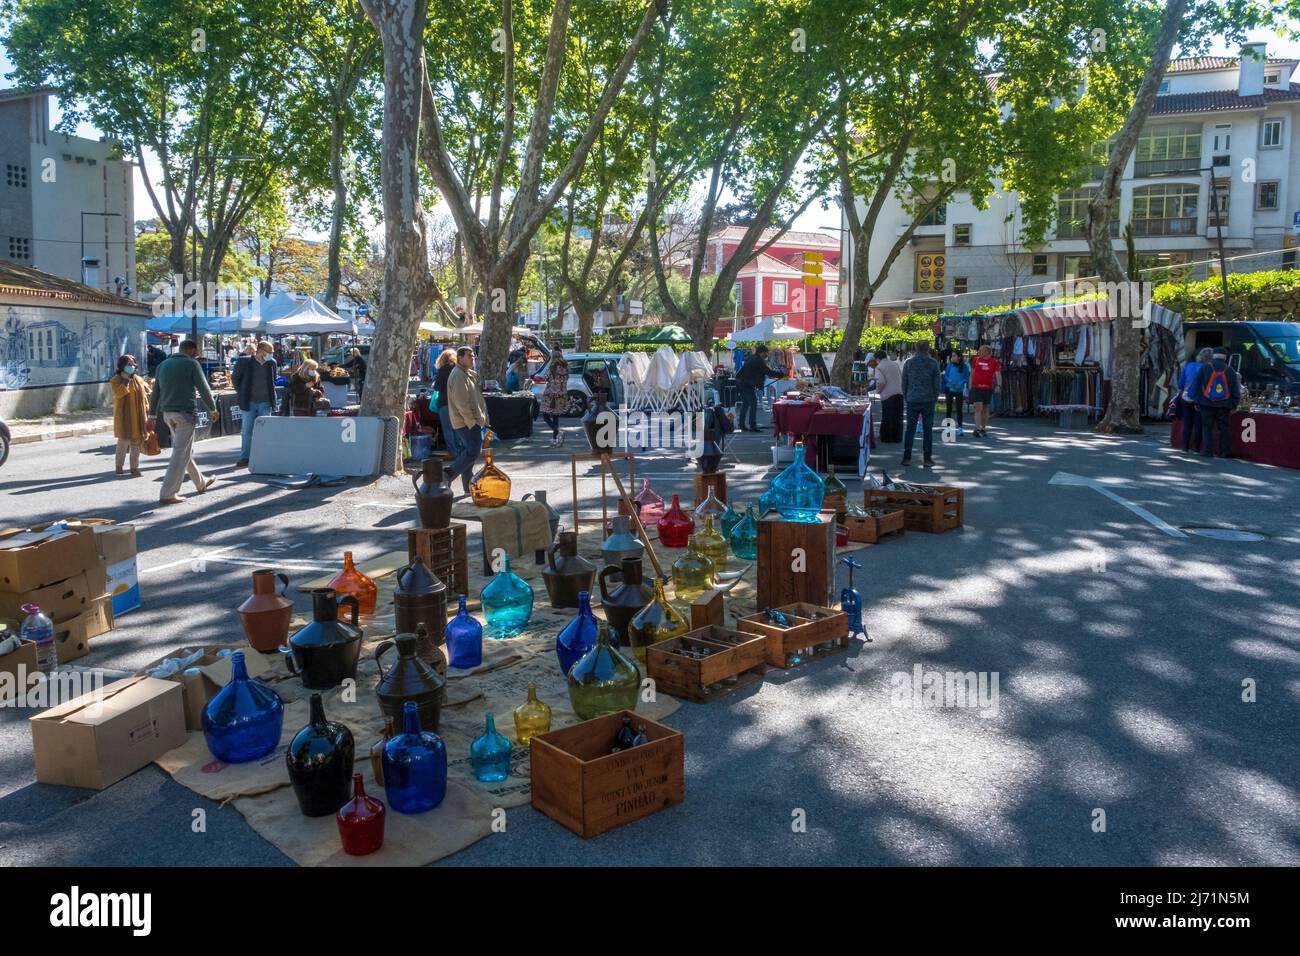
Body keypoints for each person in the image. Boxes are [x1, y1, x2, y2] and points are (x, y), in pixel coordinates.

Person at [149, 340, 217, 505]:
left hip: (167, 414)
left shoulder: (162, 365)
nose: (197, 354)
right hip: (185, 413)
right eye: (196, 351)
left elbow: (155, 392)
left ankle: (201, 482)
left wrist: (151, 415)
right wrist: (212, 408)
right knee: (180, 453)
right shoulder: (191, 364)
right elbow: (203, 387)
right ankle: (167, 493)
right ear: (190, 350)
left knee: (183, 450)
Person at [445, 346, 489, 494]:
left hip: (471, 420)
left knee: (469, 456)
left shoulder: (468, 374)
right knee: (473, 451)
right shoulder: (458, 375)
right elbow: (461, 403)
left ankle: (468, 489)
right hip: (465, 422)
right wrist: (472, 422)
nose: (472, 358)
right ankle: (449, 474)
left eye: (473, 356)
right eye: (469, 356)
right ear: (460, 358)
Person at [231, 340, 277, 467]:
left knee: (265, 430)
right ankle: (245, 457)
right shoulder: (244, 361)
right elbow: (235, 378)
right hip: (249, 402)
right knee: (247, 431)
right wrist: (241, 392)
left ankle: (264, 456)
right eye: (270, 352)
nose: (272, 354)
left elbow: (273, 380)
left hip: (266, 402)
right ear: (261, 351)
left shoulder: (272, 363)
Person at [1193, 349, 1242, 458]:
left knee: (1206, 427)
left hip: (1206, 403)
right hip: (1224, 405)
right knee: (1224, 428)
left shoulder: (1205, 368)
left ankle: (1207, 451)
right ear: (1225, 357)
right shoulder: (1230, 370)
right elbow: (1235, 389)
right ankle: (1224, 452)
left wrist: (1196, 402)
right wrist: (1234, 404)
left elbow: (1196, 386)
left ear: (1213, 356)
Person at [900, 341, 942, 467]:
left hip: (912, 398)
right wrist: (934, 397)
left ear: (915, 348)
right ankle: (927, 458)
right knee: (927, 430)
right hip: (928, 399)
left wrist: (907, 397)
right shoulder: (933, 363)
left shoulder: (908, 362)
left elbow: (904, 382)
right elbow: (937, 383)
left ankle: (907, 458)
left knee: (910, 430)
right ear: (928, 348)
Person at [110, 353, 151, 477]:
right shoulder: (115, 380)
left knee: (136, 443)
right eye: (129, 365)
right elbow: (119, 394)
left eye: (133, 364)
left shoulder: (139, 379)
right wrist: (125, 381)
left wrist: (148, 412)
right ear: (122, 366)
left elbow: (145, 397)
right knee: (123, 442)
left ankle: (134, 468)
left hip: (139, 417)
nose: (132, 367)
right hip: (124, 417)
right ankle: (119, 466)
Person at [735, 345, 784, 432]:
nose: (766, 355)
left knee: (745, 404)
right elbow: (768, 371)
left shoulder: (752, 358)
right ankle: (752, 426)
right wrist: (781, 375)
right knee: (753, 404)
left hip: (742, 383)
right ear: (761, 352)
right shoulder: (758, 361)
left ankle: (742, 425)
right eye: (765, 353)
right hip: (746, 384)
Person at [1176, 347, 1212, 454]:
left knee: (1187, 423)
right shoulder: (1209, 369)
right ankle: (1196, 448)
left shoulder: (1189, 366)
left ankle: (1185, 447)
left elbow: (1180, 384)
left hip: (1186, 398)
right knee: (1199, 424)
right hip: (1200, 399)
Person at [869, 350, 904, 442]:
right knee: (898, 417)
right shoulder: (895, 364)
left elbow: (880, 382)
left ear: (877, 359)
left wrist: (878, 391)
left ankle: (887, 437)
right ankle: (897, 437)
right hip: (899, 393)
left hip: (888, 395)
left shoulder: (879, 367)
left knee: (887, 417)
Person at [968, 344, 1002, 438]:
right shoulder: (976, 360)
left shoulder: (994, 362)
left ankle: (983, 428)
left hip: (988, 388)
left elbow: (998, 374)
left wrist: (998, 385)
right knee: (978, 407)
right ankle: (977, 428)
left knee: (985, 408)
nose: (979, 352)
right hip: (976, 387)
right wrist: (970, 386)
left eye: (981, 350)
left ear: (987, 352)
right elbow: (972, 374)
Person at [539, 348, 570, 446]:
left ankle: (558, 432)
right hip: (561, 395)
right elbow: (567, 378)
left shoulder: (552, 366)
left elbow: (545, 377)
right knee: (556, 417)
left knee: (545, 416)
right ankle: (555, 439)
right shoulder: (566, 367)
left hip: (551, 395)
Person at [433, 348, 461, 453]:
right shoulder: (459, 369)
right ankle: (460, 449)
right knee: (457, 427)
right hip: (458, 402)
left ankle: (452, 450)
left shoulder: (444, 370)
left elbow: (437, 387)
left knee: (448, 427)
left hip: (445, 402)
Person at [941, 352, 970, 436]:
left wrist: (960, 383)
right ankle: (948, 427)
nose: (952, 357)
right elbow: (946, 376)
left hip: (959, 390)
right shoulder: (949, 365)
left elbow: (966, 377)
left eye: (954, 356)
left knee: (959, 409)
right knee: (948, 409)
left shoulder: (964, 366)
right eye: (952, 356)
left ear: (959, 357)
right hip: (949, 389)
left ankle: (960, 427)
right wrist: (950, 381)